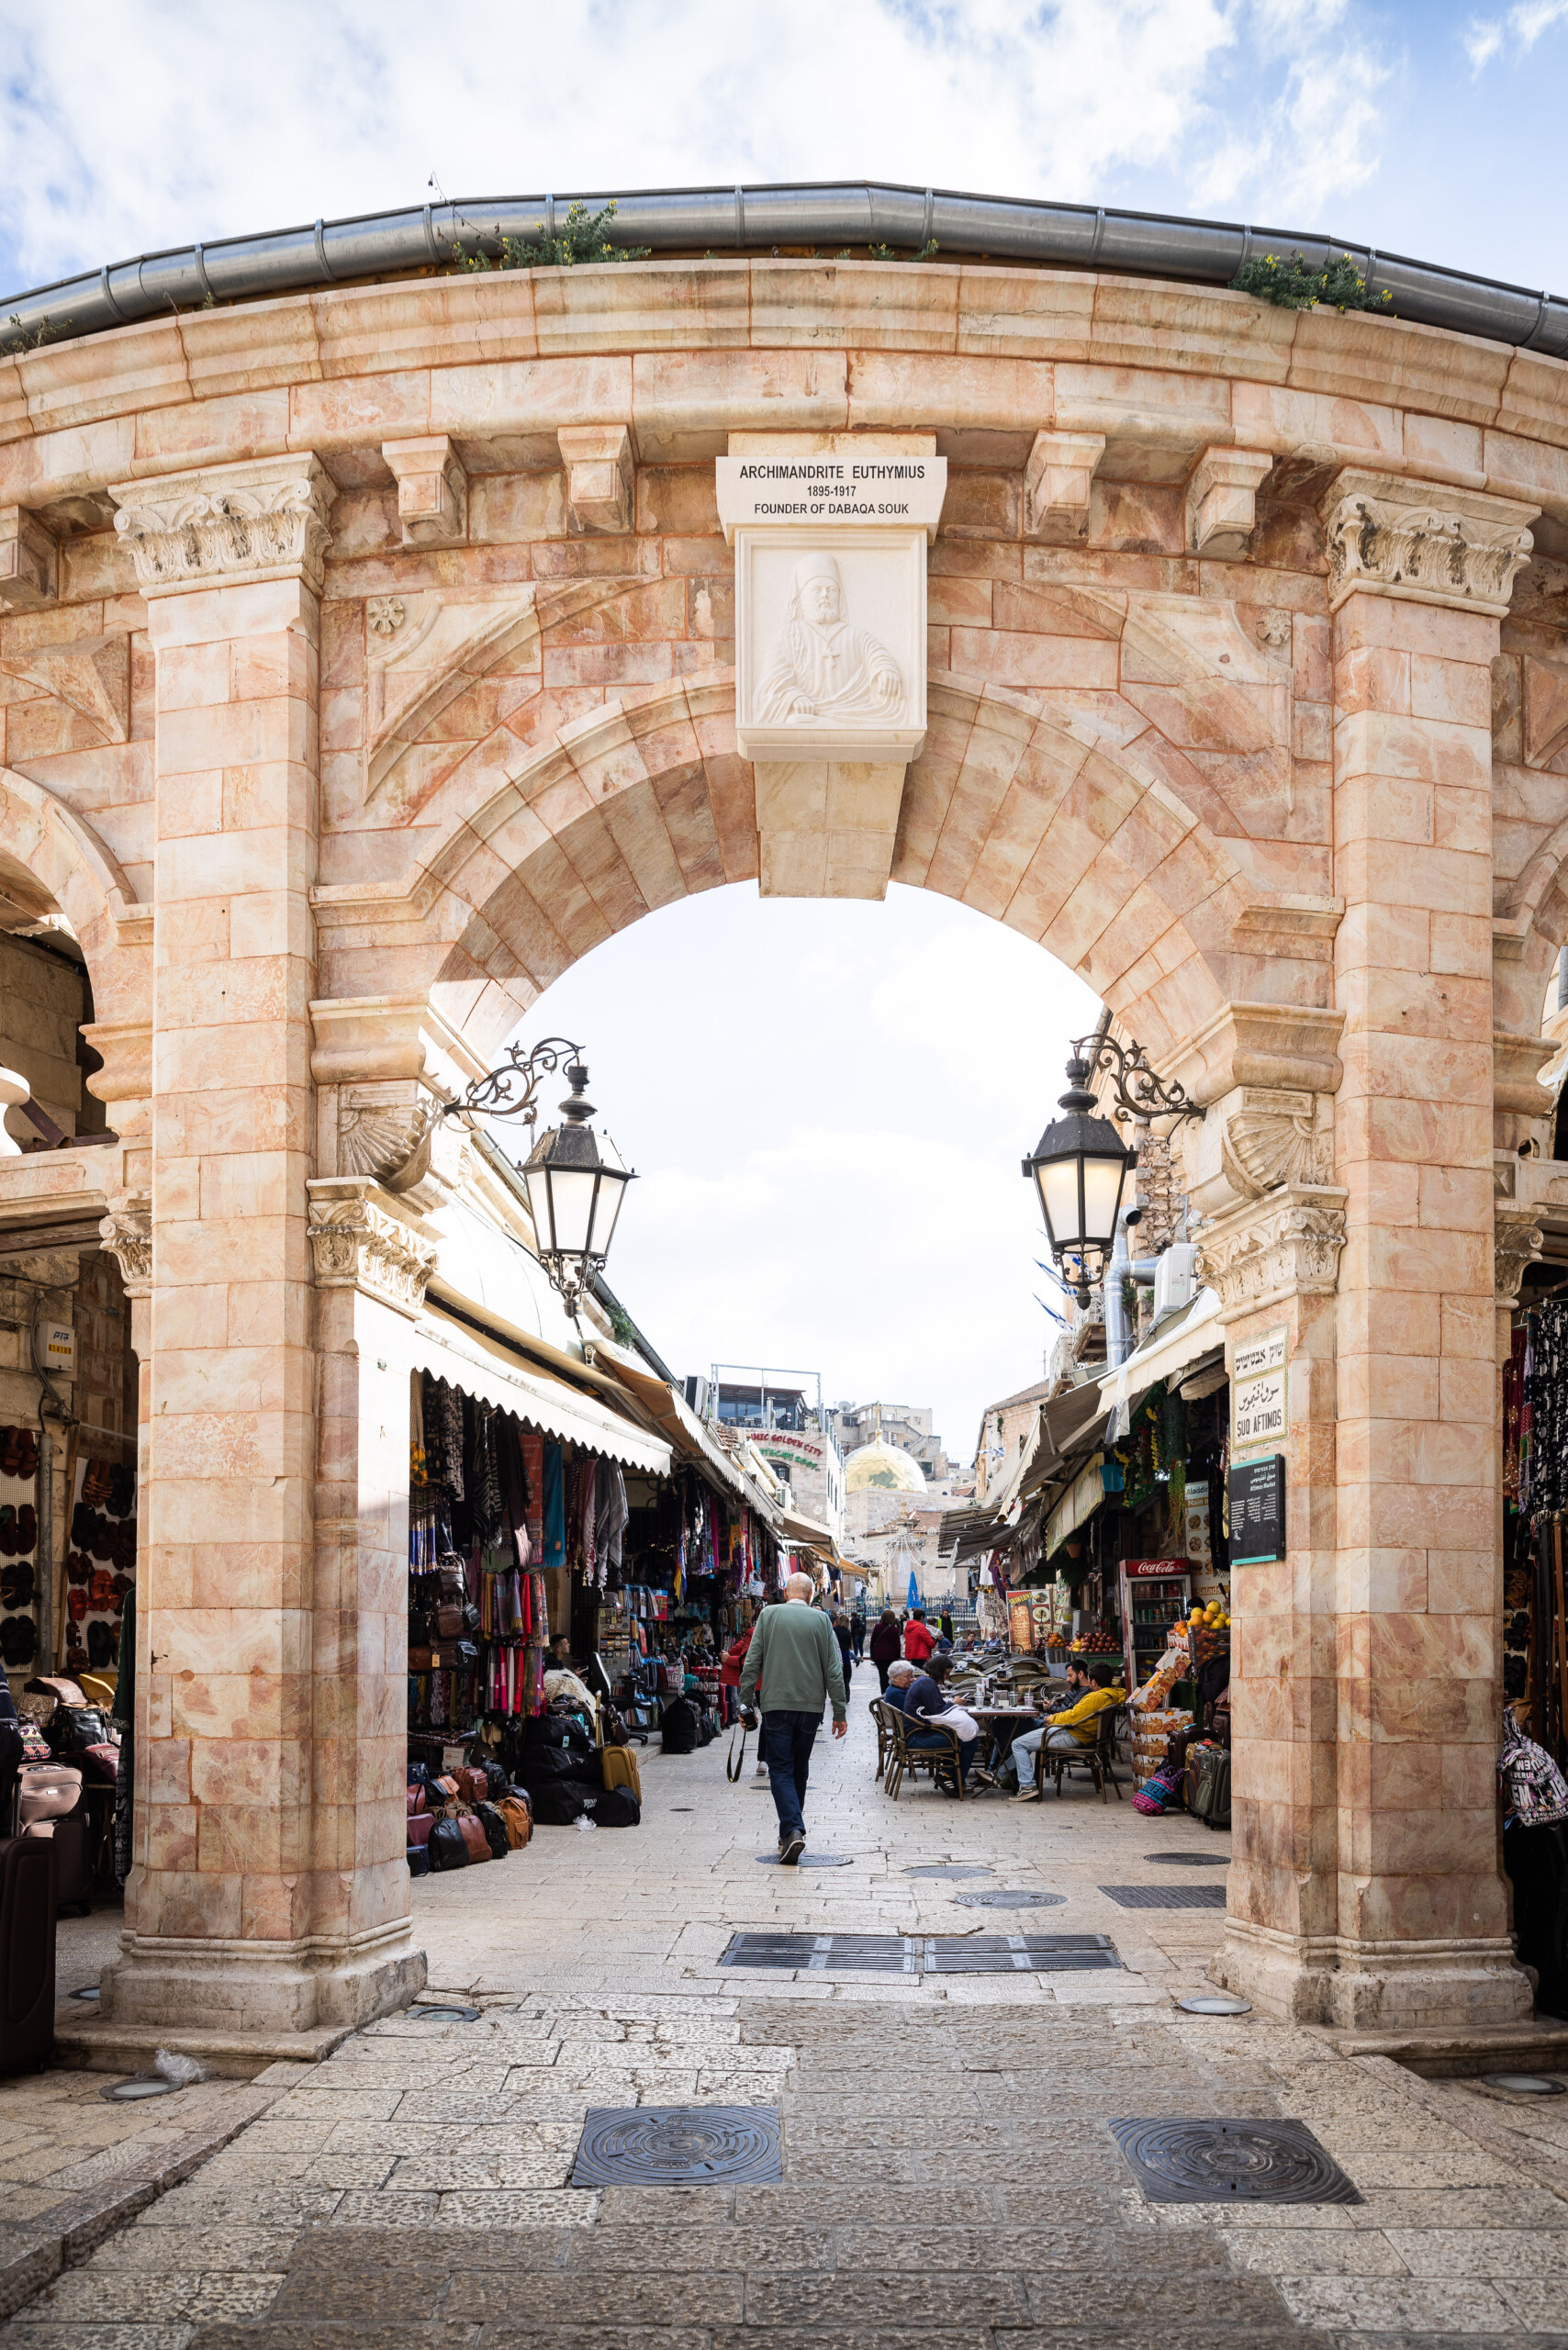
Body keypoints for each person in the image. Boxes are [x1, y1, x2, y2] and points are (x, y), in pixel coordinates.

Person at [739, 1570, 848, 1864]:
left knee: (781, 1769)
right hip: (811, 1708)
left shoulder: (769, 1615)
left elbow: (753, 1660)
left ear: (786, 1593)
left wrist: (743, 1702)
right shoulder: (821, 1620)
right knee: (799, 1769)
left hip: (776, 1705)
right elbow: (833, 1669)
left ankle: (792, 1830)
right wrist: (839, 1711)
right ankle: (788, 1832)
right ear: (811, 1595)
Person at [1010, 1662, 1126, 1801]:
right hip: (1081, 1734)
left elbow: (1072, 1716)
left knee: (1018, 1744)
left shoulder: (1095, 1697)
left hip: (1073, 1734)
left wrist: (1052, 1719)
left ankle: (1028, 1787)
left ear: (1093, 1682)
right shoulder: (1110, 1695)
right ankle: (1008, 1776)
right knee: (1024, 1742)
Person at [902, 1654, 981, 1786]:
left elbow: (934, 1709)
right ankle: (955, 1780)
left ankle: (949, 1776)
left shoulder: (923, 1681)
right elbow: (938, 1711)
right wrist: (955, 1703)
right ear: (939, 1670)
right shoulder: (928, 1683)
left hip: (916, 1733)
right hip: (917, 1736)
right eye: (946, 1674)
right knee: (971, 1742)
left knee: (961, 1738)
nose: (946, 1678)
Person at [868, 1608, 902, 1693]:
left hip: (879, 1656)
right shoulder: (894, 1629)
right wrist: (898, 1656)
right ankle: (889, 1692)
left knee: (882, 1676)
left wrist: (872, 1654)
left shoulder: (877, 1627)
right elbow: (897, 1644)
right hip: (891, 1656)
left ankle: (883, 1693)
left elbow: (872, 1641)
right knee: (890, 1676)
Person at [833, 1610, 855, 1693]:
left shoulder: (834, 1630)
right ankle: (847, 1693)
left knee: (837, 1677)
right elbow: (849, 1645)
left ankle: (837, 1693)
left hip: (836, 1655)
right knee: (846, 1676)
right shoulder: (848, 1632)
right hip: (845, 1655)